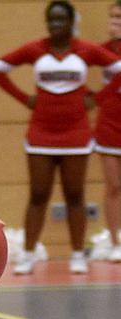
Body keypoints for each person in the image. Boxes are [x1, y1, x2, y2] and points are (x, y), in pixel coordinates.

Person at [0, 0, 121, 275]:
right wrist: (25, 98)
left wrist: (97, 99)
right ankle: (27, 253)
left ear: (72, 22)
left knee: (75, 195)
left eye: (61, 20)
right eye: (51, 20)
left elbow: (118, 69)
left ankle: (76, 254)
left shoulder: (86, 50)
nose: (55, 25)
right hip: (41, 133)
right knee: (38, 195)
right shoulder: (36, 49)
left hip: (76, 132)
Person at [95, 0, 121, 262]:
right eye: (112, 17)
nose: (115, 22)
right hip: (109, 126)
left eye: (120, 17)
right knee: (113, 185)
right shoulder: (101, 50)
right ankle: (115, 243)